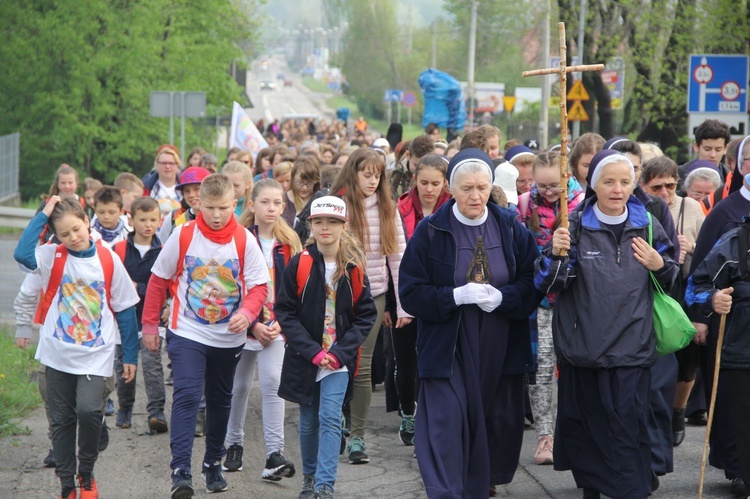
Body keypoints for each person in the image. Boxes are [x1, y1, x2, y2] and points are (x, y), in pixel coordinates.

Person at [399, 148, 541, 497]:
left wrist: (504, 298)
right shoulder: (431, 231)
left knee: (493, 423)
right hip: (450, 344)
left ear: (491, 186)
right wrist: (453, 296)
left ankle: (478, 486)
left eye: (481, 187)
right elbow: (411, 292)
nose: (475, 196)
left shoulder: (510, 227)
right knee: (446, 424)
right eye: (466, 188)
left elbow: (531, 280)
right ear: (450, 187)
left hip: (498, 342)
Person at [536, 149, 678, 499]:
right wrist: (555, 254)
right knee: (589, 428)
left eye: (625, 181)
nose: (617, 189)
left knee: (627, 428)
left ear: (634, 184)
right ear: (592, 184)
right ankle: (594, 490)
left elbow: (673, 279)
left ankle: (632, 489)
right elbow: (549, 284)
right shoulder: (574, 224)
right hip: (584, 346)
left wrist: (661, 264)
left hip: (633, 345)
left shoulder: (645, 222)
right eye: (609, 181)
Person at [140, 173, 269, 497]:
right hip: (187, 331)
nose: (215, 215)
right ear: (198, 204)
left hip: (228, 336)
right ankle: (180, 470)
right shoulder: (183, 235)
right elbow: (158, 280)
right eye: (209, 207)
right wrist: (150, 325)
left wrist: (246, 313)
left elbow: (258, 288)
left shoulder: (244, 240)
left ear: (235, 205)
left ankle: (213, 463)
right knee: (186, 394)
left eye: (223, 208)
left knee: (220, 399)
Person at [14, 196, 140, 499]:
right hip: (56, 354)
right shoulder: (51, 256)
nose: (72, 238)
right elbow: (22, 254)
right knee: (61, 420)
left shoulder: (108, 260)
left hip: (95, 357)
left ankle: (87, 473)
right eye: (64, 234)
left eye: (76, 229)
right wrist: (44, 213)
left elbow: (125, 311)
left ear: (87, 221)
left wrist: (130, 356)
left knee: (88, 411)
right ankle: (67, 485)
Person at [276, 196, 377, 499]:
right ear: (311, 225)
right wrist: (314, 352)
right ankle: (309, 477)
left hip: (339, 360)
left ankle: (324, 485)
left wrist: (337, 353)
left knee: (331, 417)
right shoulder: (301, 263)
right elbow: (285, 312)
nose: (325, 228)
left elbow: (365, 315)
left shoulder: (353, 267)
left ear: (344, 226)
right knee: (308, 422)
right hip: (306, 357)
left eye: (332, 222)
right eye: (319, 222)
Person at [329, 148, 411, 465]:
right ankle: (335, 426)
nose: (373, 180)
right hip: (335, 297)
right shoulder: (336, 204)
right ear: (353, 173)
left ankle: (358, 438)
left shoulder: (388, 209)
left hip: (373, 296)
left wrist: (402, 307)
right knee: (334, 363)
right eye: (367, 174)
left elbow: (398, 260)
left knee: (362, 368)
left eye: (378, 175)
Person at [224, 179, 301, 480]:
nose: (271, 208)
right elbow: (229, 288)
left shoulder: (290, 243)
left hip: (277, 326)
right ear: (251, 204)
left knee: (272, 382)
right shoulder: (239, 239)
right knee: (239, 386)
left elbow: (296, 291)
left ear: (284, 207)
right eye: (265, 202)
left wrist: (281, 322)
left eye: (277, 203)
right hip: (244, 324)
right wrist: (253, 324)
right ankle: (233, 444)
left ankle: (274, 454)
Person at [688, 135, 750, 494]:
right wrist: (709, 304)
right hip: (739, 334)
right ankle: (738, 467)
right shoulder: (729, 223)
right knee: (737, 404)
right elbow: (699, 279)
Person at [517, 151, 584, 466]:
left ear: (567, 177)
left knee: (573, 367)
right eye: (541, 186)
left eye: (554, 185)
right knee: (541, 368)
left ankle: (573, 434)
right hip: (539, 299)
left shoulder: (582, 206)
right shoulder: (522, 206)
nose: (548, 192)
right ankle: (545, 436)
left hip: (574, 300)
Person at [640, 156, 706, 447]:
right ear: (644, 186)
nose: (665, 192)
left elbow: (708, 248)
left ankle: (679, 410)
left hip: (687, 288)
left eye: (670, 185)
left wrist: (690, 248)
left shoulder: (689, 207)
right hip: (660, 289)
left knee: (687, 358)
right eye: (657, 187)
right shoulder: (645, 210)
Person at [393, 154, 451, 445]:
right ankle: (407, 411)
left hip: (440, 294)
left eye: (436, 183)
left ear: (445, 183)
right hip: (406, 291)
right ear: (414, 180)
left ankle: (430, 415)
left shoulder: (453, 208)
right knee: (405, 359)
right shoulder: (400, 209)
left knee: (433, 358)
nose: (429, 189)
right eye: (424, 182)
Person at [111, 197, 168, 433]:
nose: (148, 224)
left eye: (153, 219)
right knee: (124, 364)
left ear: (159, 221)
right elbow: (113, 280)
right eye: (142, 219)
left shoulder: (164, 251)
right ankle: (125, 407)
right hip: (125, 319)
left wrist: (166, 304)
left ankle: (156, 412)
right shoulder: (120, 249)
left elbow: (166, 284)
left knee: (153, 364)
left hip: (152, 318)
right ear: (131, 220)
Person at [156, 166, 210, 245]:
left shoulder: (223, 217)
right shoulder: (174, 217)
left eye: (197, 189)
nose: (191, 195)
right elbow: (161, 246)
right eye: (186, 191)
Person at [147, 145, 183, 221]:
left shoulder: (184, 189)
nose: (167, 166)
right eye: (163, 163)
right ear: (156, 165)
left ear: (177, 166)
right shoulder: (146, 189)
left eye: (171, 163)